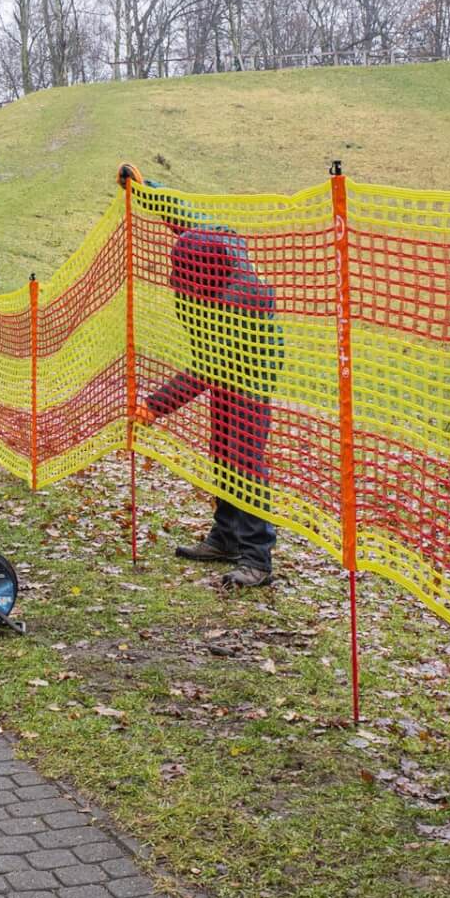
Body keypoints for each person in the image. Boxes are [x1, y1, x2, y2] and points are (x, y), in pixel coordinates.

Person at [119, 164, 284, 589]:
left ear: (210, 274)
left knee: (244, 461)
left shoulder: (238, 299)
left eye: (189, 278)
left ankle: (257, 558)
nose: (181, 284)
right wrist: (142, 187)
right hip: (222, 370)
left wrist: (155, 405)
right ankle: (225, 538)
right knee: (221, 453)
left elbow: (207, 369)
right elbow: (180, 212)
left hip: (249, 373)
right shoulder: (212, 239)